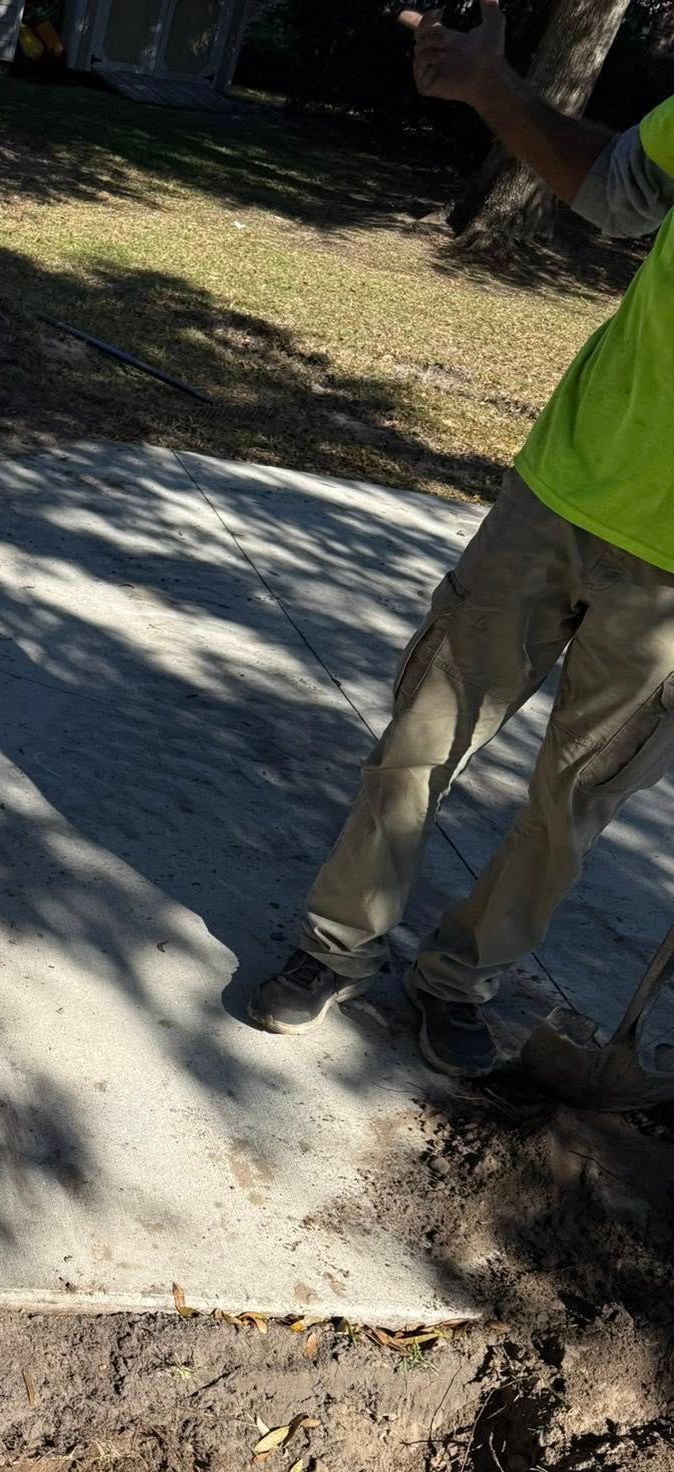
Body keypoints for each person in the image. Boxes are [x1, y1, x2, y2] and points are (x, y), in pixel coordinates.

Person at [248, 0, 674, 1077]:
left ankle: (459, 978)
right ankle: (336, 943)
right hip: (565, 488)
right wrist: (492, 86)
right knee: (421, 732)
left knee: (572, 806)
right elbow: (620, 190)